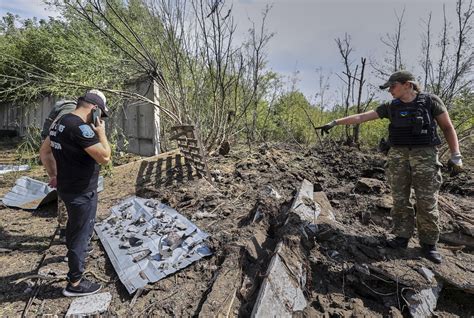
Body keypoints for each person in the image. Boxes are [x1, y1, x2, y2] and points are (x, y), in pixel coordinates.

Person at [316, 70, 463, 264]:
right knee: (400, 199)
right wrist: (335, 122)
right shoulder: (390, 107)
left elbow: (447, 127)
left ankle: (428, 245)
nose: (390, 91)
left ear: (408, 85)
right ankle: (402, 237)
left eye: (392, 87)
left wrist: (456, 155)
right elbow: (361, 117)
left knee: (427, 201)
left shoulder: (431, 102)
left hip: (425, 157)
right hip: (398, 156)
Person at [39, 89, 111, 296]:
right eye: (101, 114)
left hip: (66, 188)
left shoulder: (58, 123)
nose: (100, 119)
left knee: (73, 228)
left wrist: (54, 175)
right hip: (82, 191)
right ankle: (75, 283)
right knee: (81, 234)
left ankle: (74, 259)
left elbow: (44, 152)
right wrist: (102, 134)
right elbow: (105, 157)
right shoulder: (80, 128)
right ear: (95, 109)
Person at [41, 99, 77, 243]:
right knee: (64, 185)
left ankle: (66, 230)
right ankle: (65, 230)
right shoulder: (70, 116)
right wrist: (54, 174)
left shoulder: (66, 113)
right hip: (55, 146)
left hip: (53, 144)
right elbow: (47, 150)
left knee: (63, 184)